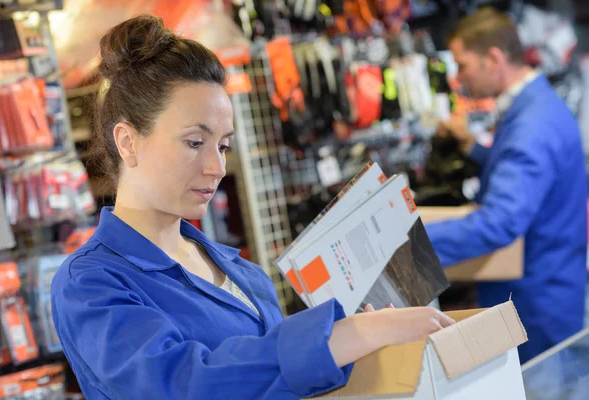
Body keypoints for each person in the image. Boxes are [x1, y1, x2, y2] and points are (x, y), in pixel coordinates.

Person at [50, 15, 455, 400]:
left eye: (223, 146)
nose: (217, 167)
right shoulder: (91, 283)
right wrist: (344, 338)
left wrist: (359, 345)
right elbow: (180, 385)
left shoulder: (244, 274)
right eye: (195, 142)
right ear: (128, 142)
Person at [425, 7, 588, 364]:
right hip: (546, 289)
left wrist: (411, 243)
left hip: (537, 308)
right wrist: (477, 150)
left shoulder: (531, 127)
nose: (458, 78)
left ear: (494, 58)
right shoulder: (536, 106)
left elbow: (500, 223)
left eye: (463, 64)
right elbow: (534, 178)